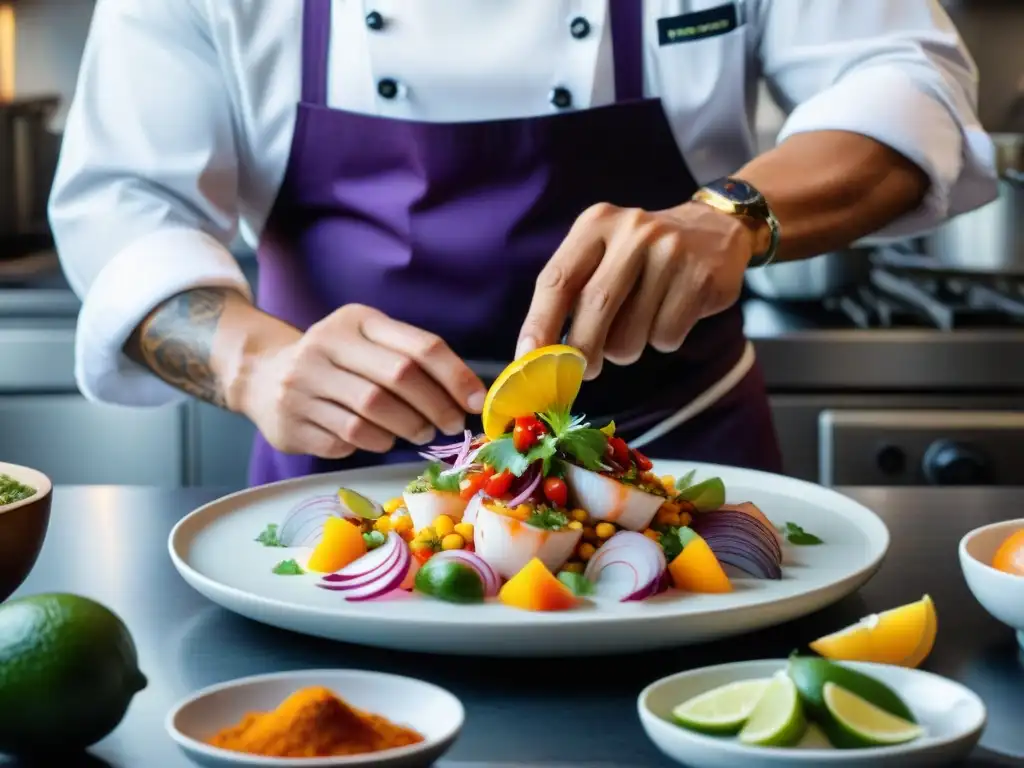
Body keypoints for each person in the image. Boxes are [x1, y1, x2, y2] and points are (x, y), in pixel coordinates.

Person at [51, 0, 997, 486]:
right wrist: (255, 366)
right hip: (345, 497)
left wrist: (733, 214)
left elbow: (907, 80)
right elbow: (124, 201)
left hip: (682, 465)